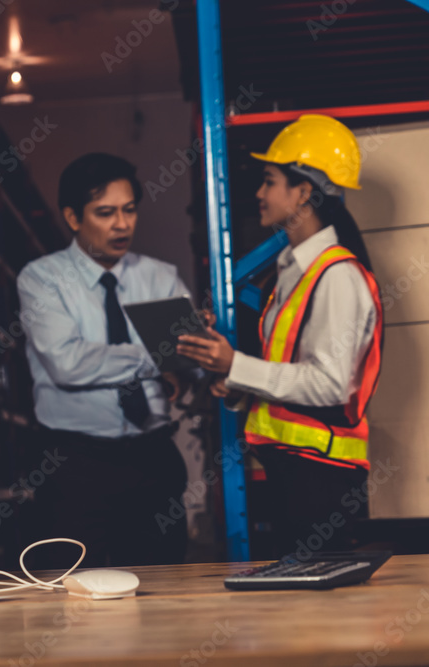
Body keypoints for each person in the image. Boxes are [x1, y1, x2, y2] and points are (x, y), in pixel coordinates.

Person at [177, 114, 383, 554]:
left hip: (323, 476)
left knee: (321, 613)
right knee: (299, 612)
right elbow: (288, 371)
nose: (258, 193)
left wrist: (236, 364)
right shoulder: (292, 272)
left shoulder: (337, 276)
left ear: (304, 192)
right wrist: (231, 379)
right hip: (294, 468)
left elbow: (329, 384)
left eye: (269, 181)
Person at [16, 153, 194, 568]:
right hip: (75, 465)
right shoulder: (42, 278)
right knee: (78, 591)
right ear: (73, 217)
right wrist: (158, 358)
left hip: (153, 460)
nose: (122, 224)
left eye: (130, 210)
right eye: (106, 213)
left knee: (166, 591)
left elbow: (189, 361)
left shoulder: (160, 277)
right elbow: (69, 363)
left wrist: (188, 362)